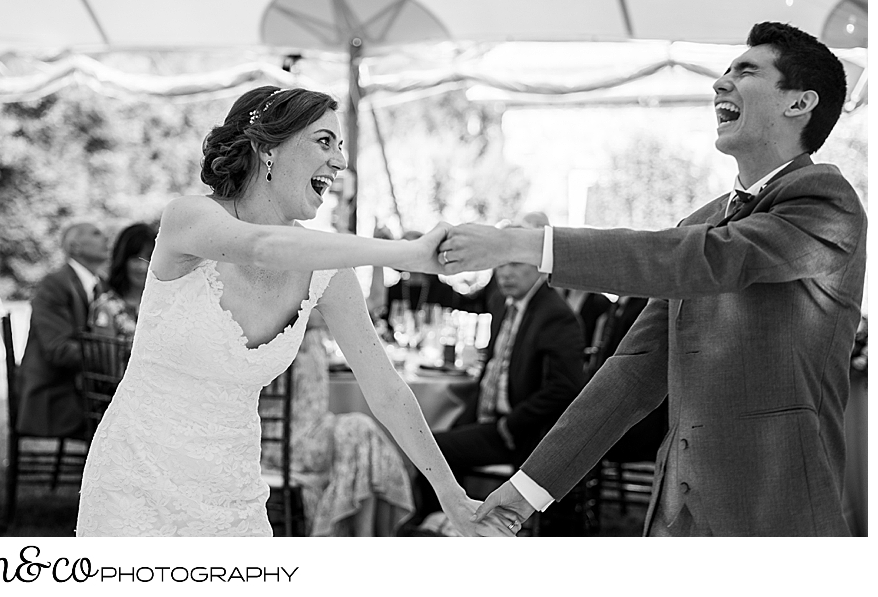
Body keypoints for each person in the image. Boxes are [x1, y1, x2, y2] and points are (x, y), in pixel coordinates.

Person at [441, 22, 866, 536]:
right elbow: (632, 372)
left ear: (799, 103)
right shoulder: (700, 221)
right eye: (725, 69)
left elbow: (704, 260)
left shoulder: (827, 203)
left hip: (776, 516)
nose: (720, 82)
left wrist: (521, 244)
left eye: (746, 70)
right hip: (675, 515)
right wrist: (529, 488)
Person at [76, 85, 515, 537]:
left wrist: (450, 494)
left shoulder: (328, 270)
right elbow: (261, 248)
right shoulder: (188, 219)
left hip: (233, 492)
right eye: (325, 141)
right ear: (267, 148)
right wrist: (405, 253)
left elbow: (386, 390)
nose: (341, 161)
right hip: (136, 476)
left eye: (341, 146)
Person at [415, 217, 585, 525]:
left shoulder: (556, 316)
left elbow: (565, 389)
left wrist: (511, 425)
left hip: (521, 432)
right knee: (424, 440)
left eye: (515, 264)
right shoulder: (506, 303)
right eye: (500, 264)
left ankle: (441, 523)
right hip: (492, 418)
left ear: (539, 266)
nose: (505, 273)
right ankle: (445, 522)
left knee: (433, 451)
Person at [259, 311, 415, 536]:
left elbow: (372, 307)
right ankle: (367, 540)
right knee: (361, 434)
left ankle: (366, 538)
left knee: (362, 440)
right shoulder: (282, 323)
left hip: (312, 431)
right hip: (277, 444)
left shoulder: (312, 327)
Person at [17, 221, 108, 438]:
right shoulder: (54, 285)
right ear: (75, 247)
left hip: (88, 392)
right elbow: (58, 350)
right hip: (56, 397)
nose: (106, 238)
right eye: (96, 233)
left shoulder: (102, 284)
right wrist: (111, 356)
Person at [88, 222, 157, 342]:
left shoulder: (168, 304)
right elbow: (105, 358)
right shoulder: (106, 307)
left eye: (149, 258)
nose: (142, 267)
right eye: (135, 259)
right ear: (122, 260)